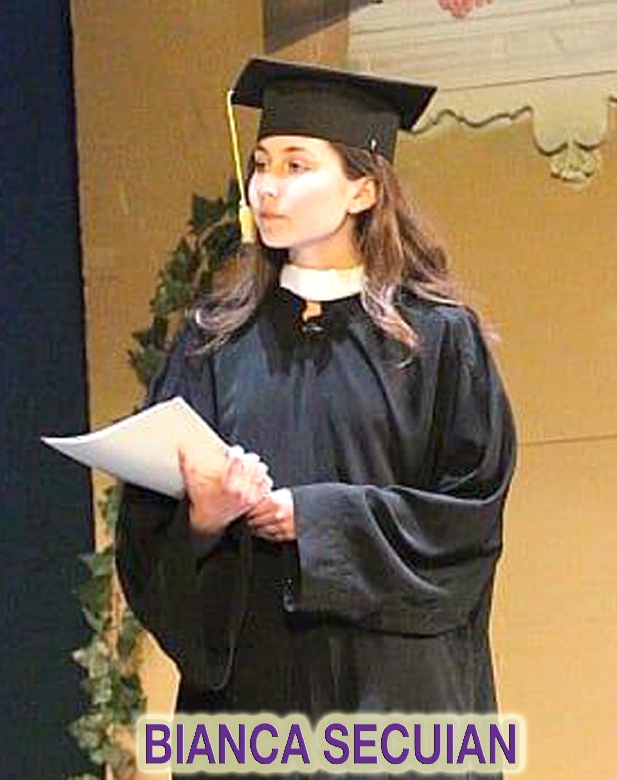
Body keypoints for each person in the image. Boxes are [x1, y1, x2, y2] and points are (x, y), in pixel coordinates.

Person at [115, 57, 517, 778]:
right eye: (262, 163)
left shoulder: (435, 339)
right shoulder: (214, 343)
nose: (266, 186)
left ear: (363, 187)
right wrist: (205, 519)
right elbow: (148, 537)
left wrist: (318, 519)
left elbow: (468, 522)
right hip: (252, 712)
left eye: (296, 165)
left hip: (396, 709)